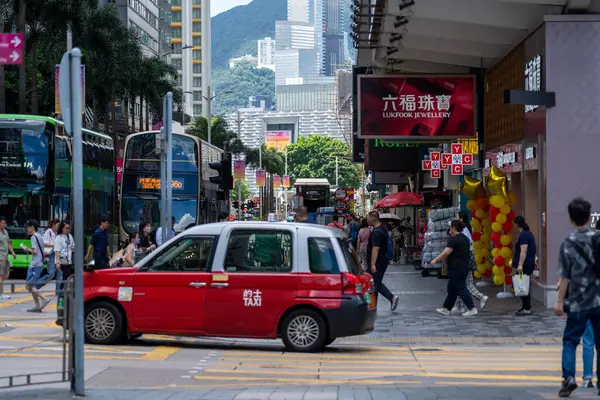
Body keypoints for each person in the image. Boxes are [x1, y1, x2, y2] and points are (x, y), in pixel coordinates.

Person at [431, 219, 478, 317]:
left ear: (453, 228)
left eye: (451, 227)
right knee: (452, 289)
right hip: (463, 267)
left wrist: (435, 260)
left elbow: (446, 253)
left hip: (457, 269)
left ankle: (472, 308)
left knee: (461, 288)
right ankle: (446, 309)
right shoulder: (465, 238)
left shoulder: (454, 240)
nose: (450, 228)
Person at [453, 212, 489, 312]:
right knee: (461, 284)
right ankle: (459, 305)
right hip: (467, 259)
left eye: (456, 217)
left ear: (460, 220)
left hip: (465, 260)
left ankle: (481, 297)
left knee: (466, 284)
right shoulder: (466, 229)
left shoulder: (463, 231)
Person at [366, 211, 399, 311]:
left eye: (368, 217)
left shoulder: (376, 232)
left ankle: (374, 306)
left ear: (372, 218)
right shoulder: (383, 228)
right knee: (376, 282)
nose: (367, 220)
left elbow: (375, 248)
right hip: (383, 260)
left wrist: (372, 264)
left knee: (374, 284)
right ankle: (388, 299)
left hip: (378, 262)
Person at [22, 220, 50, 312]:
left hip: (35, 264)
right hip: (39, 264)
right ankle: (37, 306)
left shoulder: (33, 237)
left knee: (29, 285)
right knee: (31, 285)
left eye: (28, 227)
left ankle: (44, 299)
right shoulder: (39, 236)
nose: (27, 228)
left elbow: (35, 251)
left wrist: (26, 248)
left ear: (32, 227)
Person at [513, 216, 537, 316]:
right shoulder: (529, 234)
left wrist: (520, 264)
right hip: (529, 263)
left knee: (521, 285)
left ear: (517, 224)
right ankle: (525, 306)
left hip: (525, 264)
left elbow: (524, 250)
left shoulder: (523, 235)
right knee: (524, 284)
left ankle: (526, 308)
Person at [36, 219, 60, 294]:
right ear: (53, 224)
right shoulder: (48, 232)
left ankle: (58, 292)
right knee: (51, 273)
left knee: (59, 273)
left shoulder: (56, 233)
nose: (58, 227)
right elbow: (43, 243)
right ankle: (36, 286)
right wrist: (54, 245)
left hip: (56, 253)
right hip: (51, 254)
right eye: (57, 225)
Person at [53, 221, 74, 298]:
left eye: (69, 228)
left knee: (67, 277)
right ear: (62, 228)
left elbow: (73, 247)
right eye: (66, 228)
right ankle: (61, 293)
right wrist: (58, 262)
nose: (68, 229)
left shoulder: (70, 236)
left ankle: (64, 293)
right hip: (62, 260)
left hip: (69, 260)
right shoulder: (59, 238)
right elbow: (57, 251)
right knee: (66, 276)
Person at [0, 216, 17, 300]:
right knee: (1, 275)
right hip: (0, 258)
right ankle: (1, 294)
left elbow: (9, 243)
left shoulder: (5, 232)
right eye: (3, 223)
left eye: (5, 223)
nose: (4, 225)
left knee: (6, 275)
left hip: (5, 257)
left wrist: (13, 252)